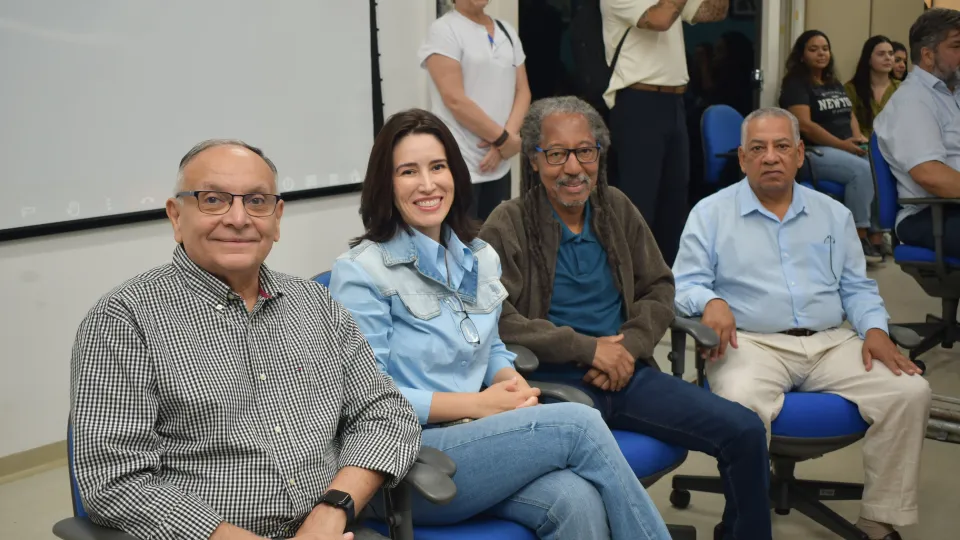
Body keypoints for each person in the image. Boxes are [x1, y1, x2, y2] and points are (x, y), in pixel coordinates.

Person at [329, 108, 671, 540]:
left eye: (438, 167)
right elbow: (365, 399)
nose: (428, 183)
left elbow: (489, 347)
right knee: (577, 424)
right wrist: (478, 405)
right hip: (404, 458)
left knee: (577, 500)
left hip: (479, 438)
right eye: (408, 171)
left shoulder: (477, 256)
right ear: (385, 183)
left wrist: (511, 382)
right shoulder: (362, 272)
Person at [69, 140, 423, 540]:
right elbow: (114, 481)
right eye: (213, 200)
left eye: (256, 201)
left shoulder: (316, 304)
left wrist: (333, 509)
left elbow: (386, 413)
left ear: (277, 217)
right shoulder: (124, 319)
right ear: (176, 216)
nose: (238, 219)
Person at [479, 96, 773, 540]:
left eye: (586, 151)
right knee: (579, 489)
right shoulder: (509, 222)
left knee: (746, 431)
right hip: (552, 384)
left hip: (627, 371)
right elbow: (496, 316)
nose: (574, 167)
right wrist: (588, 349)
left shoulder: (615, 207)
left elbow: (660, 287)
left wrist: (629, 348)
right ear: (535, 160)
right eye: (558, 154)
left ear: (599, 154)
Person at [674, 107, 932, 540]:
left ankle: (878, 517)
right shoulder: (710, 213)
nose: (770, 157)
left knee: (909, 391)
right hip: (751, 343)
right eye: (758, 148)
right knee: (740, 400)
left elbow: (857, 287)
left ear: (798, 155)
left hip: (831, 341)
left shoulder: (834, 214)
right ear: (742, 158)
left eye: (781, 147)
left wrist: (874, 329)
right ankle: (745, 522)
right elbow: (683, 284)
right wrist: (711, 300)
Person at [600, 0, 730, 266]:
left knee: (674, 203)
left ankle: (666, 287)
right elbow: (660, 20)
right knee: (639, 204)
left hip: (675, 103)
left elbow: (714, 12)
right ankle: (630, 290)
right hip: (638, 102)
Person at [419, 0, 532, 221]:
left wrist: (504, 143)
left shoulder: (506, 31)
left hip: (499, 163)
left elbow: (523, 91)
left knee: (495, 243)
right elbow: (455, 99)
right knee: (461, 245)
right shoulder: (444, 30)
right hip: (460, 162)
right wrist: (502, 140)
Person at [780, 30, 884, 261]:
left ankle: (877, 236)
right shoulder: (795, 84)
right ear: (801, 55)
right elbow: (805, 126)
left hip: (845, 146)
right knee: (863, 171)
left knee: (881, 166)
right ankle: (858, 237)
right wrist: (842, 145)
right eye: (813, 49)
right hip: (813, 152)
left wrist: (858, 138)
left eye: (824, 48)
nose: (821, 53)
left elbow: (850, 115)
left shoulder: (833, 82)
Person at [875, 8, 960, 259]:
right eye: (956, 46)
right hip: (931, 214)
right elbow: (930, 174)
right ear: (927, 55)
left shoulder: (952, 91)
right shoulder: (913, 101)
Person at [844, 35, 900, 140]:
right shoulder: (851, 88)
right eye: (881, 54)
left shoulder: (901, 88)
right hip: (862, 145)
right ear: (868, 59)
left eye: (891, 54)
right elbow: (847, 122)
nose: (888, 58)